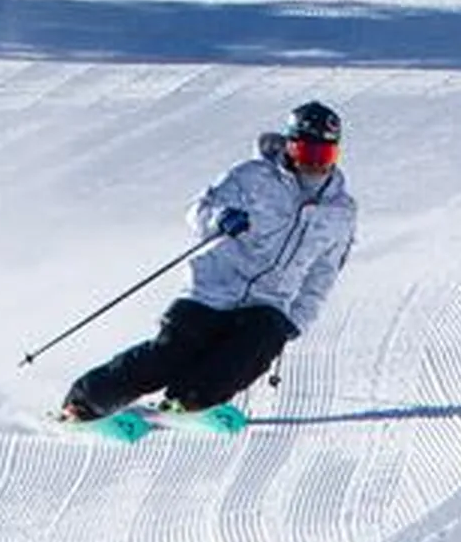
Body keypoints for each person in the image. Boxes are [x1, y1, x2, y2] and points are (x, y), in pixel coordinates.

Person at [58, 99, 359, 423]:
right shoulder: (251, 177)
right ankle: (85, 402)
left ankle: (189, 402)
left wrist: (296, 319)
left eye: (324, 155)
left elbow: (323, 274)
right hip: (212, 289)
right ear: (289, 146)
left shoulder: (340, 212)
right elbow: (198, 210)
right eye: (306, 153)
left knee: (250, 351)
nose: (314, 165)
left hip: (268, 302)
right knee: (169, 353)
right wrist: (220, 218)